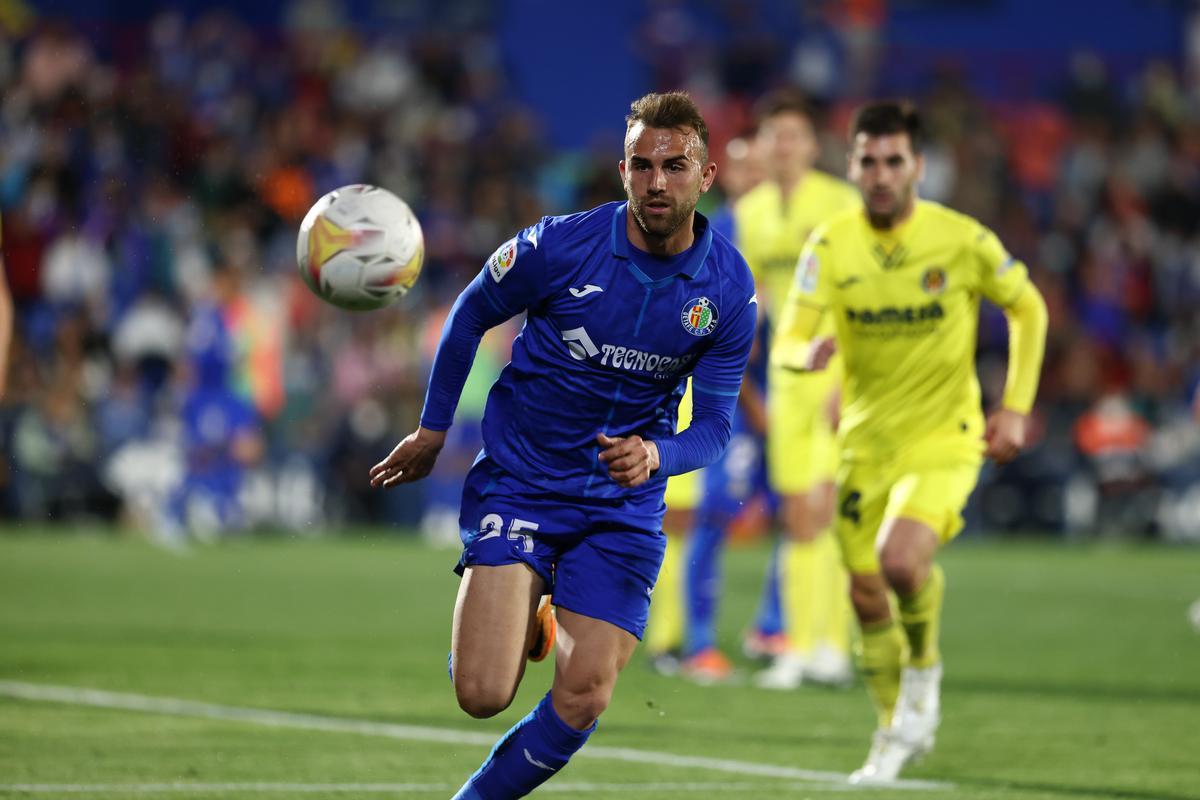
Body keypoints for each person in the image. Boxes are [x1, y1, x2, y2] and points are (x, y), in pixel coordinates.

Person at [369, 91, 756, 799]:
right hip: (523, 481)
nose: (657, 181)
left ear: (706, 176)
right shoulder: (557, 247)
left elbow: (716, 427)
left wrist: (656, 457)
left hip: (621, 505)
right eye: (642, 165)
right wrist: (432, 428)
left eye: (675, 165)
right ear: (622, 172)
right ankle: (527, 604)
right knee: (482, 694)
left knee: (585, 696)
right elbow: (468, 316)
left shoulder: (727, 290)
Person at [773, 100, 1048, 783]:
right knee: (866, 595)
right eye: (868, 160)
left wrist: (1013, 407)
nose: (881, 173)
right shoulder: (830, 246)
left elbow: (1028, 306)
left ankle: (924, 670)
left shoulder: (960, 239)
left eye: (894, 160)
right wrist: (803, 357)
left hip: (945, 438)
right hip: (865, 443)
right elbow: (788, 334)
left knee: (901, 562)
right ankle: (895, 727)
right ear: (852, 165)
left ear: (918, 167)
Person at [734, 90, 860, 688]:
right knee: (796, 517)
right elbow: (751, 298)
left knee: (826, 510)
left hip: (837, 373)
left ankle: (830, 644)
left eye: (794, 135)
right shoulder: (752, 211)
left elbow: (861, 292)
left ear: (813, 145)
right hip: (786, 377)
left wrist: (855, 377)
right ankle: (800, 644)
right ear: (760, 144)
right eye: (773, 134)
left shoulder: (839, 203)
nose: (783, 145)